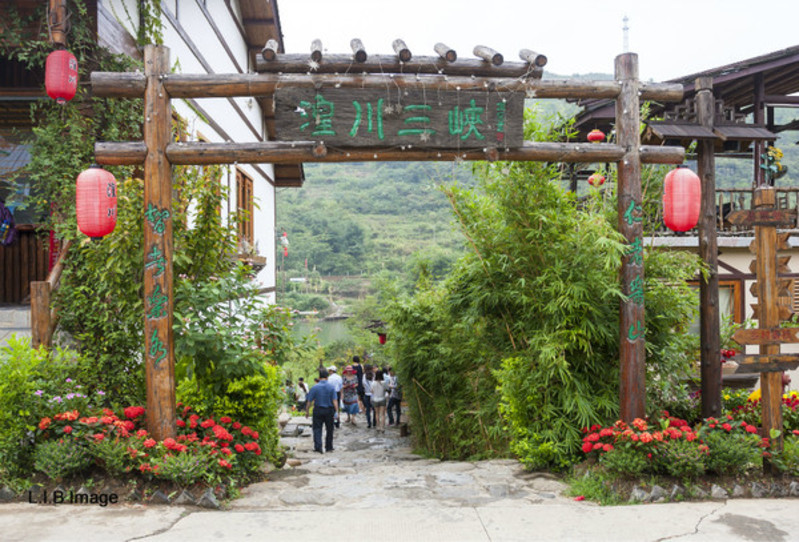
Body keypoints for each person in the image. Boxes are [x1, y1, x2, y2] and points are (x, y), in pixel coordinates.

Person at [305, 368, 338, 453]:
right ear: (327, 377)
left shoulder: (315, 387)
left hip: (318, 410)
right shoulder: (331, 387)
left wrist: (307, 411)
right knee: (330, 429)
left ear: (319, 377)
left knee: (317, 428)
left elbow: (309, 400)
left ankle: (318, 447)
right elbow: (335, 401)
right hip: (329, 410)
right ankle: (329, 447)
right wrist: (337, 412)